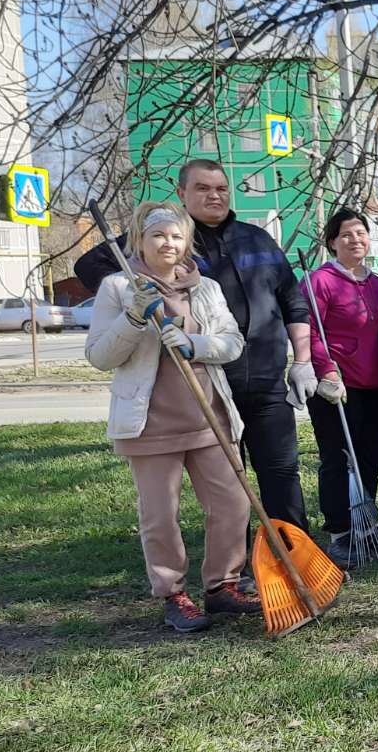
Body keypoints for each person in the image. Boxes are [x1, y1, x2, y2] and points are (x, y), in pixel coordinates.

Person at [76, 158, 314, 532]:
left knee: (281, 470)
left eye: (220, 188)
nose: (214, 196)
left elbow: (293, 301)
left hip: (267, 380)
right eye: (202, 188)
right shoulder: (168, 238)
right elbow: (91, 266)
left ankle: (292, 553)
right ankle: (244, 561)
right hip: (213, 382)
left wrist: (304, 360)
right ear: (181, 192)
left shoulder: (258, 239)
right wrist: (141, 296)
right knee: (232, 482)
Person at [86, 200, 258, 631]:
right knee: (161, 514)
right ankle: (173, 594)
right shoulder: (118, 288)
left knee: (233, 503)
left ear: (187, 242)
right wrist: (132, 318)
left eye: (177, 235)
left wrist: (192, 343)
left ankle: (223, 586)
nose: (169, 242)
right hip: (149, 423)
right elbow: (100, 356)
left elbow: (232, 341)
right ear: (139, 240)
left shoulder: (205, 288)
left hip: (208, 416)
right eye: (159, 234)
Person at [304, 208, 378, 567]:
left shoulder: (377, 284)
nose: (355, 240)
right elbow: (308, 330)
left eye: (360, 233)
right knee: (338, 458)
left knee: (369, 455)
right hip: (336, 386)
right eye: (346, 235)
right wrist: (325, 371)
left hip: (376, 382)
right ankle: (340, 531)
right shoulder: (319, 282)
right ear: (332, 242)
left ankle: (364, 525)